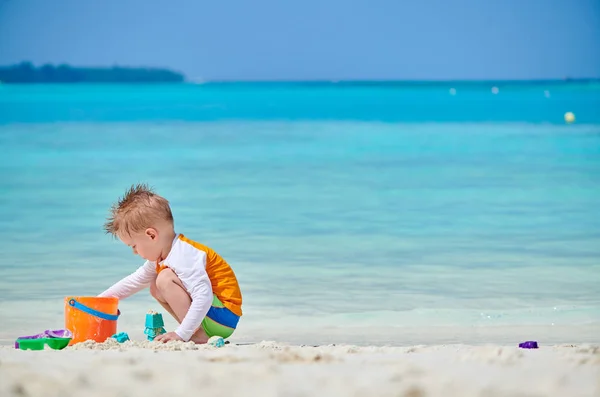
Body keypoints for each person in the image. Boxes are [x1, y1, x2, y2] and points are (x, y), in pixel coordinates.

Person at [98, 183, 242, 344]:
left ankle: (196, 334)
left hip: (223, 314)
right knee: (155, 284)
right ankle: (195, 332)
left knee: (164, 279)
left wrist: (182, 333)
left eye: (134, 246)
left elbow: (203, 296)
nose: (135, 252)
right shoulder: (163, 256)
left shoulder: (183, 254)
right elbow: (136, 280)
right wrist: (101, 301)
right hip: (213, 316)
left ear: (151, 235)